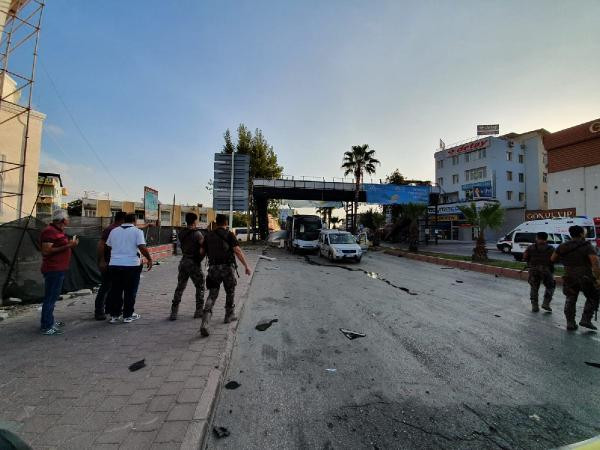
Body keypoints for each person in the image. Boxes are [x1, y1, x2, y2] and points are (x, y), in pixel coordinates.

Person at [199, 214, 251, 337]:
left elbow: (201, 252)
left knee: (212, 294)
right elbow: (237, 251)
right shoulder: (229, 234)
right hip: (227, 269)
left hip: (213, 269)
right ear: (226, 222)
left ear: (216, 222)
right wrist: (246, 266)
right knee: (230, 291)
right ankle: (229, 315)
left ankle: (205, 322)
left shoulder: (208, 235)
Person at [106, 213, 152, 323]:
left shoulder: (114, 231)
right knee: (130, 291)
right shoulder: (137, 232)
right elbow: (142, 247)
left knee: (116, 291)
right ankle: (127, 315)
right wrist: (149, 259)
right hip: (131, 265)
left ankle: (114, 315)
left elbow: (108, 246)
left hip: (115, 265)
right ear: (134, 221)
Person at [551, 225, 600, 331]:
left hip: (569, 276)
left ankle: (570, 323)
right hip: (585, 277)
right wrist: (598, 278)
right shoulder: (587, 246)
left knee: (570, 298)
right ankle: (586, 319)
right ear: (582, 234)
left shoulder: (563, 246)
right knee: (593, 297)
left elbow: (553, 258)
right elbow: (595, 263)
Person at [39, 209, 78, 335]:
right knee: (50, 297)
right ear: (62, 220)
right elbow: (46, 251)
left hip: (58, 268)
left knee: (53, 297)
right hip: (53, 269)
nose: (69, 220)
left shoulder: (58, 231)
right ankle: (46, 326)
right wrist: (68, 246)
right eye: (67, 218)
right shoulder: (49, 231)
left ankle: (49, 321)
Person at [169, 212, 205, 320]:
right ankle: (199, 311)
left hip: (183, 261)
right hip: (193, 263)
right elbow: (203, 246)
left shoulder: (181, 233)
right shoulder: (197, 234)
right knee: (200, 286)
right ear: (195, 221)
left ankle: (174, 312)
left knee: (180, 287)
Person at [94, 211, 127, 320]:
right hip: (108, 262)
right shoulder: (111, 229)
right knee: (106, 286)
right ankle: (99, 311)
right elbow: (100, 245)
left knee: (112, 286)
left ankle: (109, 308)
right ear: (122, 220)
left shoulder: (116, 229)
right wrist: (102, 261)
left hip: (113, 262)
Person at [523, 231, 555, 312]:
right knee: (550, 286)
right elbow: (554, 259)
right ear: (546, 238)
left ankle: (534, 306)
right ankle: (546, 303)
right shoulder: (551, 248)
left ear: (537, 238)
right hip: (546, 270)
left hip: (533, 269)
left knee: (534, 288)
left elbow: (525, 257)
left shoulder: (530, 247)